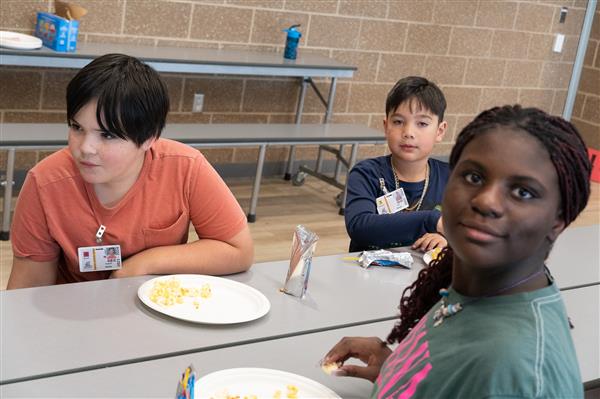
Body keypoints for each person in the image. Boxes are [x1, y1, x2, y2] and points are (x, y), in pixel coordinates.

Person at [323, 105, 591, 398]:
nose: (486, 201)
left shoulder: (518, 372)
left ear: (558, 220)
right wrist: (398, 370)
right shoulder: (474, 289)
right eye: (474, 177)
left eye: (522, 192)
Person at [7, 54, 254, 289]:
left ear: (149, 138)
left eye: (107, 134)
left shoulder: (185, 167)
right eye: (76, 127)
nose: (85, 148)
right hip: (72, 314)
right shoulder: (45, 183)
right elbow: (28, 291)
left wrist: (147, 261)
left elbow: (238, 250)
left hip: (154, 306)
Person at [345, 76, 449, 253]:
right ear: (386, 126)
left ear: (439, 131)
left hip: (423, 275)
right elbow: (359, 227)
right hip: (369, 274)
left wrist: (445, 238)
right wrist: (431, 220)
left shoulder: (451, 177)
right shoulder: (366, 173)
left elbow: (468, 229)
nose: (408, 132)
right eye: (398, 122)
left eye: (422, 123)